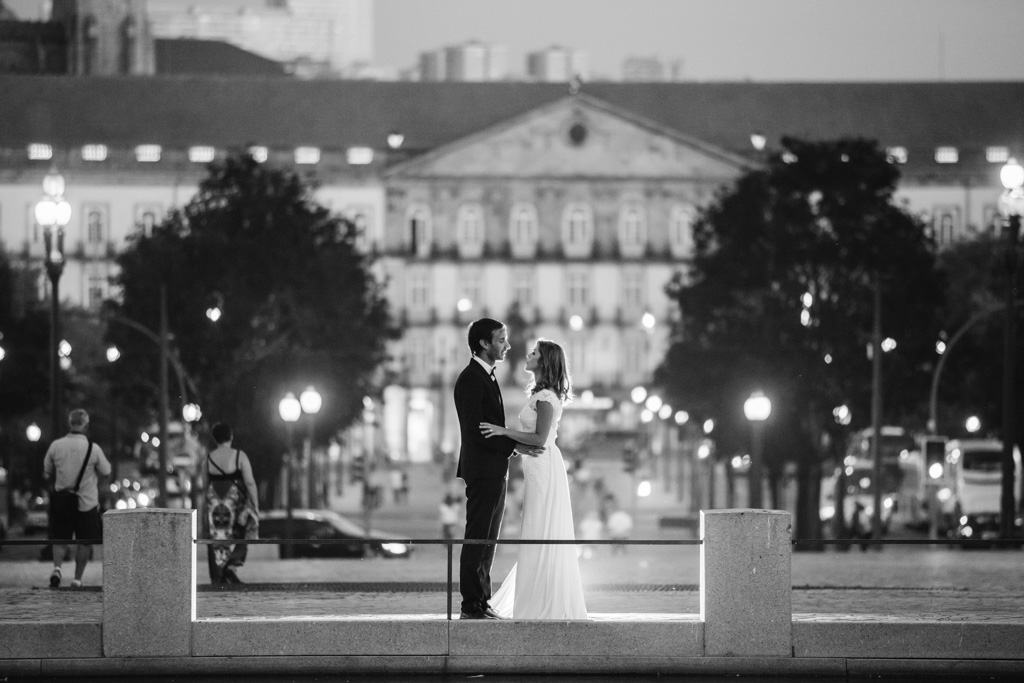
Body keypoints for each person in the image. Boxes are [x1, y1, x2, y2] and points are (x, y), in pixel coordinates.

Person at [481, 338, 588, 620]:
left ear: (544, 362)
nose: (527, 356)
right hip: (537, 464)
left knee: (539, 528)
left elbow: (540, 438)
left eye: (533, 353)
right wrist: (508, 442)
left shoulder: (546, 398)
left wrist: (503, 432)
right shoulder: (540, 394)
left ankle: (537, 601)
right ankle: (535, 596)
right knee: (537, 529)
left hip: (544, 466)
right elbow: (533, 441)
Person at [453, 317, 542, 620]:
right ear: (484, 343)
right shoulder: (471, 379)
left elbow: (493, 429)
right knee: (477, 536)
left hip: (493, 468)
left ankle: (481, 600)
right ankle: (470, 604)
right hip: (482, 470)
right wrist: (515, 446)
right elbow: (479, 430)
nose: (508, 345)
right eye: (501, 340)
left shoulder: (487, 376)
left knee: (488, 539)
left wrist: (510, 447)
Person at [43, 409, 112, 588]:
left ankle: (57, 569)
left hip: (62, 502)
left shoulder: (56, 446)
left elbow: (47, 470)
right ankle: (77, 579)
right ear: (86, 426)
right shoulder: (93, 448)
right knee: (85, 541)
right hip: (86, 503)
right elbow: (106, 471)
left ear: (70, 424)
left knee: (60, 538)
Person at [203, 423, 259, 584]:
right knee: (242, 532)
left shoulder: (208, 459)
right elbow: (250, 483)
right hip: (235, 503)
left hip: (214, 505)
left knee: (216, 538)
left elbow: (205, 484)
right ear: (231, 436)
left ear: (215, 439)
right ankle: (231, 567)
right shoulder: (239, 456)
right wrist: (255, 506)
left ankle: (218, 575)